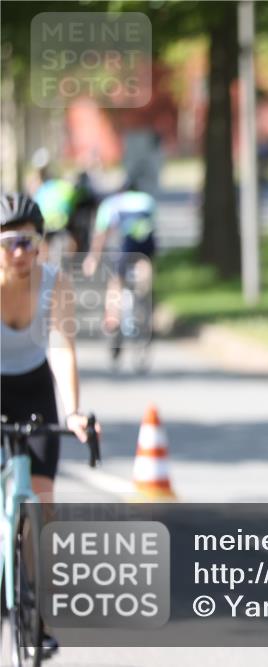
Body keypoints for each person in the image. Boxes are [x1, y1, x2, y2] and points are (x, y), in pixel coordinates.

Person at [1, 192, 99, 658]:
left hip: (35, 390)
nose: (20, 253)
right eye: (9, 244)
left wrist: (74, 411)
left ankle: (37, 612)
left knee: (42, 506)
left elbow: (62, 349)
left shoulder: (54, 282)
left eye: (29, 242)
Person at [82, 179, 157, 363]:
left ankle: (113, 322)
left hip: (125, 247)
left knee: (115, 282)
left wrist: (92, 258)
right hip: (145, 247)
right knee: (144, 272)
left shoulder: (111, 203)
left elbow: (101, 235)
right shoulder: (147, 200)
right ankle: (146, 312)